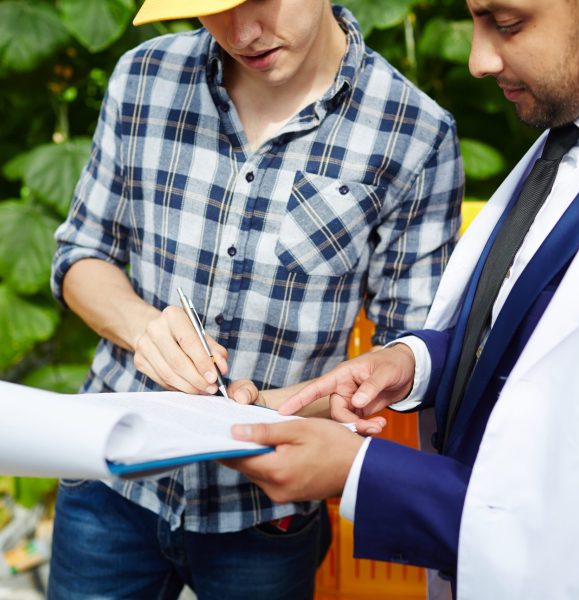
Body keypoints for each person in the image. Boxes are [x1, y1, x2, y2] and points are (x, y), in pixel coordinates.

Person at [48, 0, 463, 597]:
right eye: (213, 8)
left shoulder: (414, 132)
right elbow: (79, 256)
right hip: (112, 481)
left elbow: (408, 352)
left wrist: (281, 407)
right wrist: (144, 328)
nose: (241, 33)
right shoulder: (143, 76)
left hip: (267, 516)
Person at [225, 0, 579, 597]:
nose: (478, 60)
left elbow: (577, 531)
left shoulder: (416, 128)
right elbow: (521, 339)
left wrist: (357, 472)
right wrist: (414, 362)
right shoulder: (568, 143)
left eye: (507, 24)